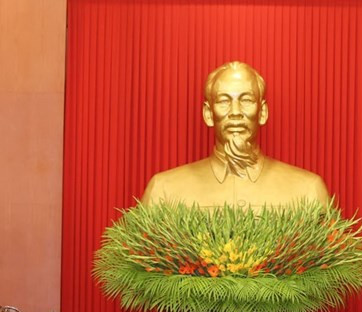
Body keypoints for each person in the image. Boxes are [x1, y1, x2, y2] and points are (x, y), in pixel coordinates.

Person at [140, 61, 329, 209]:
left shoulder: (308, 190)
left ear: (262, 112)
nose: (235, 111)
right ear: (208, 114)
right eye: (224, 101)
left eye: (246, 100)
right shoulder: (164, 190)